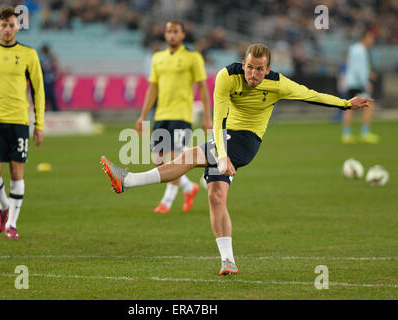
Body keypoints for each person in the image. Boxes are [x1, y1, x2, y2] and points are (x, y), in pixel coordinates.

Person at [101, 44, 373, 276]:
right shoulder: (227, 77)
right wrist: (221, 156)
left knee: (188, 156)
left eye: (260, 69)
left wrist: (347, 104)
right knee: (216, 195)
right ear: (244, 64)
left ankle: (128, 181)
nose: (253, 74)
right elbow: (218, 119)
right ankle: (228, 261)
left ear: (268, 69)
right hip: (225, 137)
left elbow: (311, 95)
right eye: (250, 67)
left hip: (247, 141)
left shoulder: (278, 83)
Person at [0, 7, 45, 239]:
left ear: (17, 27)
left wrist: (39, 123)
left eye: (12, 25)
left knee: (16, 171)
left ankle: (12, 224)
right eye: (3, 25)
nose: (7, 29)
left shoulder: (28, 54)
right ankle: (3, 205)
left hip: (19, 121)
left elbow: (39, 90)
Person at [135, 21, 212, 214]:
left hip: (182, 115)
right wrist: (143, 115)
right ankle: (189, 188)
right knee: (158, 160)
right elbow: (152, 88)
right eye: (169, 31)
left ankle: (166, 202)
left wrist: (207, 117)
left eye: (175, 32)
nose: (171, 35)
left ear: (183, 35)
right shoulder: (157, 58)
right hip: (161, 114)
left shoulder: (193, 57)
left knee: (176, 161)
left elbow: (202, 88)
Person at [341, 30, 378, 144]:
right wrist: (366, 83)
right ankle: (364, 133)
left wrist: (368, 74)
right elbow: (358, 69)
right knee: (369, 106)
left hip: (352, 82)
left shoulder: (354, 48)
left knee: (349, 108)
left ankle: (346, 134)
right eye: (370, 38)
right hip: (358, 84)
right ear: (365, 38)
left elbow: (355, 67)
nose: (372, 41)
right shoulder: (360, 50)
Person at [40, 44, 60, 111]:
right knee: (46, 95)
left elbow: (54, 66)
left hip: (49, 79)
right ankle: (51, 109)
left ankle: (54, 109)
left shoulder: (49, 57)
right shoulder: (43, 58)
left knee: (50, 95)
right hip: (46, 79)